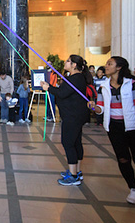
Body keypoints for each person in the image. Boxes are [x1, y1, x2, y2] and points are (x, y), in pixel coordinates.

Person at [88, 56, 135, 204]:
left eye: (110, 64)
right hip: (114, 127)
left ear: (119, 67)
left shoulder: (133, 84)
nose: (106, 66)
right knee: (123, 159)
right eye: (106, 64)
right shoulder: (103, 86)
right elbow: (101, 108)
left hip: (133, 127)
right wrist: (93, 107)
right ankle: (133, 188)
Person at [41, 55, 91, 186]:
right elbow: (65, 92)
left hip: (72, 116)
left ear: (74, 65)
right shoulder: (77, 78)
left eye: (68, 61)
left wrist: (48, 88)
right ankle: (76, 171)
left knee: (68, 143)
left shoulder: (75, 78)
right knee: (76, 142)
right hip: (76, 115)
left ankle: (73, 175)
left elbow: (62, 93)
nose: (65, 62)